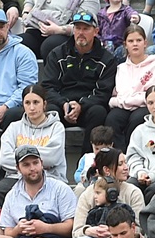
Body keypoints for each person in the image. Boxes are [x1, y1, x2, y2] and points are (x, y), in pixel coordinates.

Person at [41, 13, 118, 142]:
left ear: (96, 31)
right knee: (50, 110)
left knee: (99, 112)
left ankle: (88, 159)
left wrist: (81, 105)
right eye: (77, 28)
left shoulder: (107, 59)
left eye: (86, 29)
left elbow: (103, 92)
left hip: (88, 108)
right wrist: (63, 103)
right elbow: (47, 87)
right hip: (62, 106)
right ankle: (51, 158)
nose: (81, 33)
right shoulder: (57, 54)